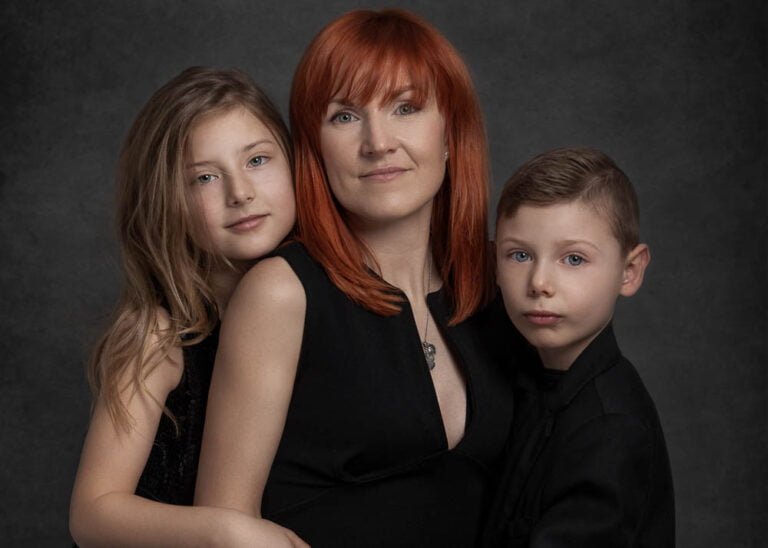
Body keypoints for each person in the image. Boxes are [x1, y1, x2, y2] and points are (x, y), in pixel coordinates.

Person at [196, 9, 517, 546]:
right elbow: (224, 527)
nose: (378, 141)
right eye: (344, 116)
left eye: (406, 107)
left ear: (449, 135)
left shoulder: (498, 280)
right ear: (314, 150)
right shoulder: (282, 293)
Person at [69, 67, 307, 547]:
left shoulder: (314, 306)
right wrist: (226, 530)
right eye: (204, 177)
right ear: (166, 200)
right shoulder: (159, 334)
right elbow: (92, 514)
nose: (240, 193)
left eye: (258, 160)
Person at [483, 147, 675, 546]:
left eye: (573, 259)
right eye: (519, 255)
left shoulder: (612, 428)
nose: (538, 282)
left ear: (630, 271)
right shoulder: (519, 375)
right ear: (492, 261)